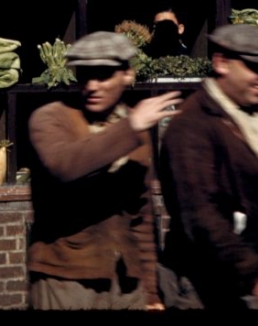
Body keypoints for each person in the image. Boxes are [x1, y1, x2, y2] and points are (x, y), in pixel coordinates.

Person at [27, 31, 180, 310]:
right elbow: (65, 165)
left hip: (125, 283)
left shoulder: (135, 130)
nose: (92, 86)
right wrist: (131, 127)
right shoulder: (51, 117)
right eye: (85, 75)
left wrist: (151, 292)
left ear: (127, 75)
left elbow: (142, 217)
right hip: (67, 279)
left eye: (104, 75)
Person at [159, 24, 258, 310]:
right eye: (253, 66)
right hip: (210, 286)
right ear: (221, 63)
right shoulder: (192, 124)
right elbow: (200, 215)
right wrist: (257, 275)